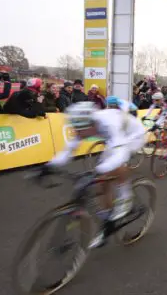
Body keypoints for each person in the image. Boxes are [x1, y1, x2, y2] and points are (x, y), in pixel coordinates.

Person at [43, 101, 147, 248]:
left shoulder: (108, 125)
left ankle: (126, 198)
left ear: (89, 124)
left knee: (115, 165)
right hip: (116, 140)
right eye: (75, 129)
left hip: (133, 136)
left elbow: (120, 154)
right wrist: (48, 166)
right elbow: (68, 150)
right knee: (102, 185)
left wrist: (99, 171)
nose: (77, 133)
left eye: (79, 130)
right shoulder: (84, 125)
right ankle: (107, 224)